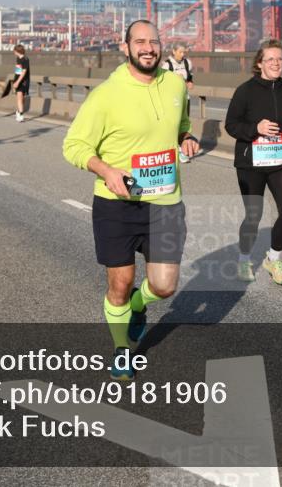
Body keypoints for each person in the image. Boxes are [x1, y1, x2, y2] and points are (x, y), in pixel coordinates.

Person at [62, 20, 199, 380]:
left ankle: (140, 305)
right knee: (120, 284)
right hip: (117, 204)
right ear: (125, 48)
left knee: (164, 286)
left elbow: (182, 124)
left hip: (165, 202)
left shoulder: (175, 84)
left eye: (153, 41)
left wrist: (187, 138)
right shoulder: (106, 95)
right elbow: (73, 146)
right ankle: (122, 348)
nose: (148, 48)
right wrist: (106, 170)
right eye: (140, 42)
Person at [223, 39, 282, 285]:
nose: (276, 63)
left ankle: (273, 259)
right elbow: (231, 125)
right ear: (259, 63)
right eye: (270, 59)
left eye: (280, 59)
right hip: (251, 163)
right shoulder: (245, 91)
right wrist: (255, 129)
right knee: (254, 216)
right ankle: (244, 259)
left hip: (280, 160)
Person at [163, 44, 195, 162]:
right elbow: (162, 83)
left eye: (184, 52)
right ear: (174, 51)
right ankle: (173, 149)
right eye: (180, 52)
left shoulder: (187, 63)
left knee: (184, 124)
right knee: (174, 124)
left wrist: (190, 82)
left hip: (185, 98)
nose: (182, 54)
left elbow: (190, 77)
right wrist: (175, 79)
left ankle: (182, 150)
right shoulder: (167, 65)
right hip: (172, 100)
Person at [9, 44, 30, 122]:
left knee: (22, 98)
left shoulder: (25, 59)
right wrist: (15, 81)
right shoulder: (18, 58)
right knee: (19, 97)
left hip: (23, 81)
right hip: (17, 79)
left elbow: (24, 72)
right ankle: (21, 114)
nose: (14, 52)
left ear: (18, 51)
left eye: (14, 51)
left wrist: (18, 82)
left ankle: (18, 111)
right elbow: (18, 71)